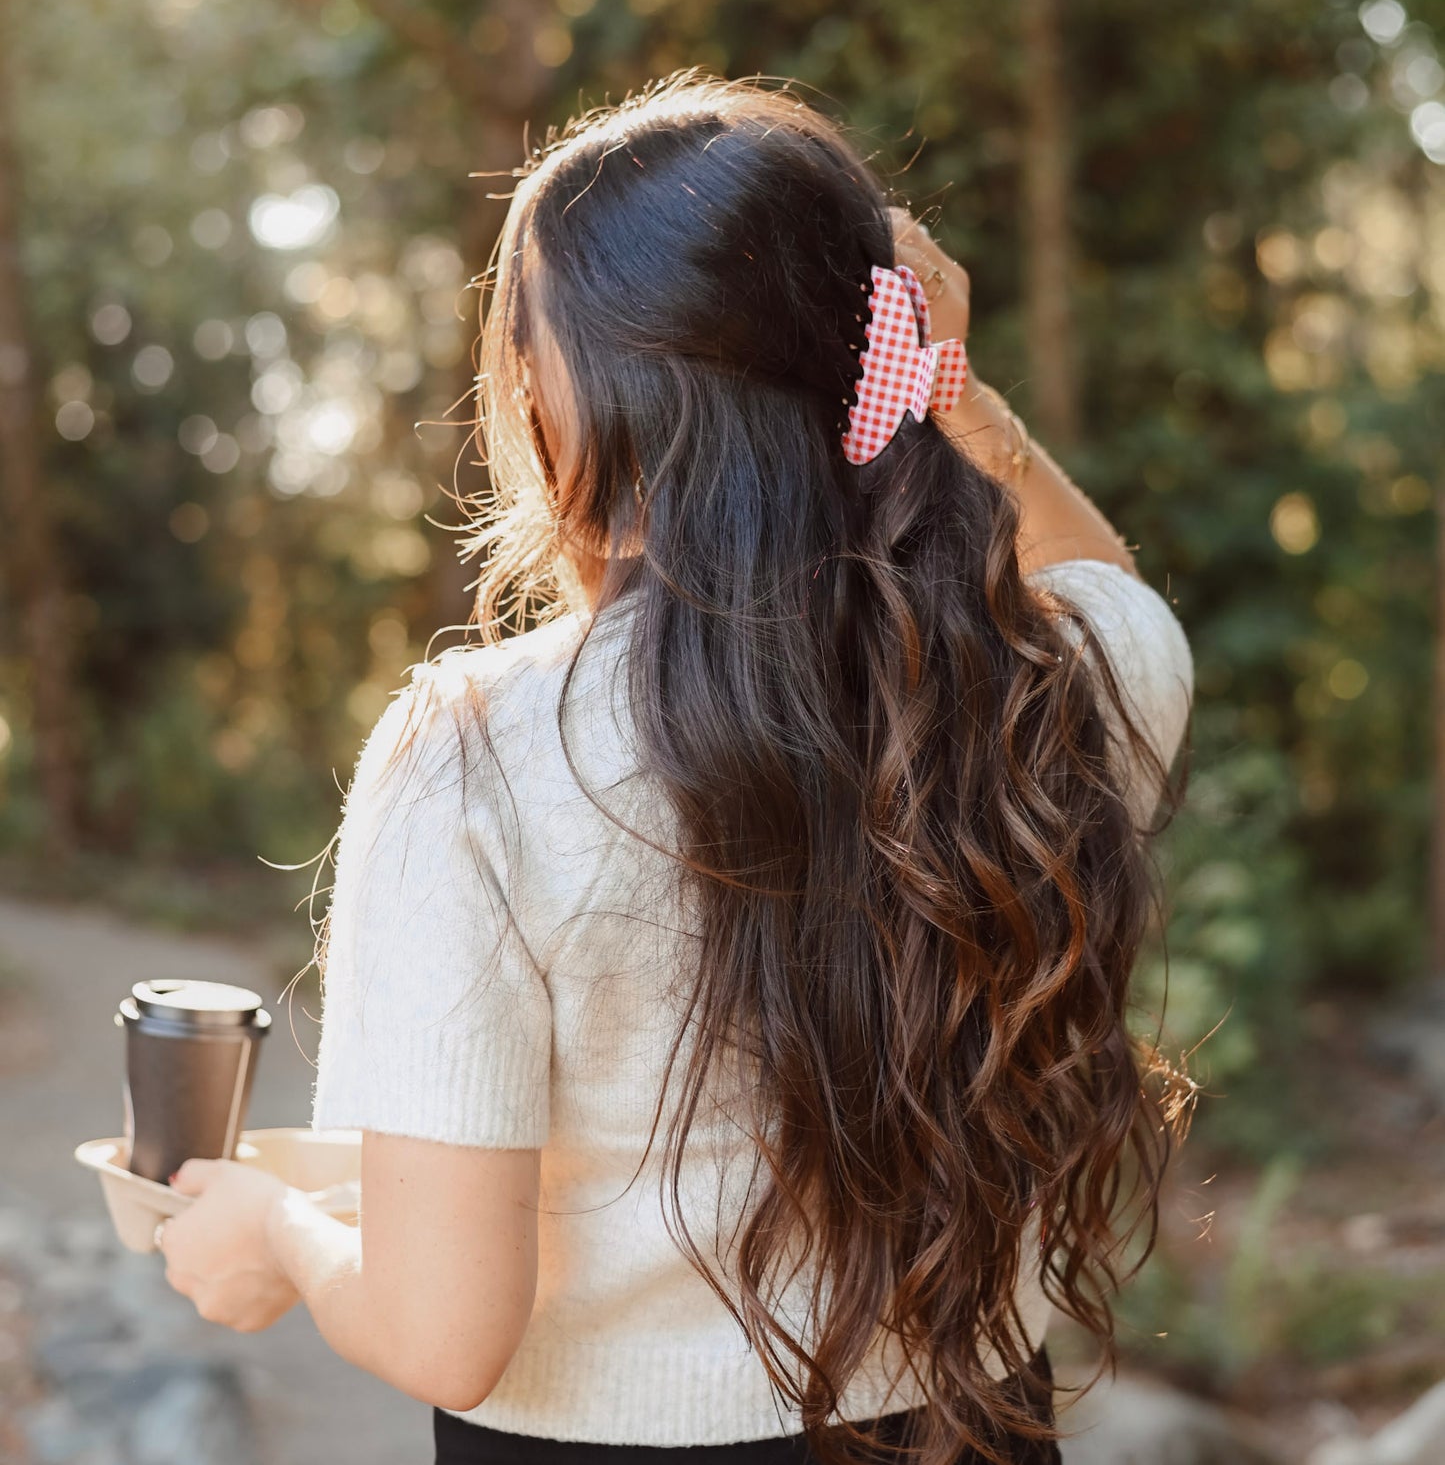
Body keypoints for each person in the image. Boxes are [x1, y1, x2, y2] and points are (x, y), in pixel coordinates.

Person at [156, 72, 1194, 1465]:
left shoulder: (476, 755)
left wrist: (269, 1232)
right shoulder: (1043, 691)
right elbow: (1096, 581)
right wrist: (950, 387)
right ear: (878, 352)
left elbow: (444, 1329)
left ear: (556, 391)